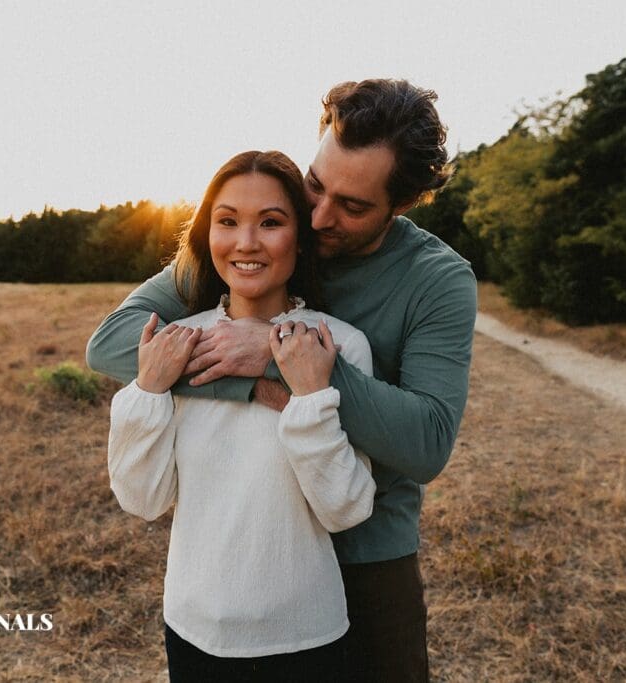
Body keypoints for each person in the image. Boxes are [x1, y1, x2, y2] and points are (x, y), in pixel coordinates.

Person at [88, 79, 478, 682]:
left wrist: (275, 360)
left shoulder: (437, 279)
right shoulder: (265, 234)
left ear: (400, 206)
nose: (320, 217)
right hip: (239, 566)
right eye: (316, 185)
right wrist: (258, 382)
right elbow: (115, 344)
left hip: (370, 556)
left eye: (352, 206)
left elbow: (426, 442)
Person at [107, 150, 377, 681]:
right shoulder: (178, 345)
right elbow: (143, 501)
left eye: (270, 223)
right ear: (208, 235)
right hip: (194, 628)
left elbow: (346, 509)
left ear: (300, 238)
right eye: (227, 221)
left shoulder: (338, 344)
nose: (246, 243)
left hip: (308, 634)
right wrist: (149, 389)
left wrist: (308, 396)